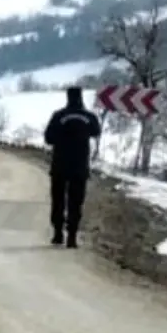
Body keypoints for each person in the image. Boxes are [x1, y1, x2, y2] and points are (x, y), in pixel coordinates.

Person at [43, 86, 101, 248]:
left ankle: (57, 234)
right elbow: (96, 132)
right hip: (80, 165)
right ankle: (72, 236)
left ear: (68, 98)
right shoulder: (89, 117)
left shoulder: (58, 116)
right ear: (81, 97)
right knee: (76, 201)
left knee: (58, 199)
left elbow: (48, 138)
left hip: (60, 164)